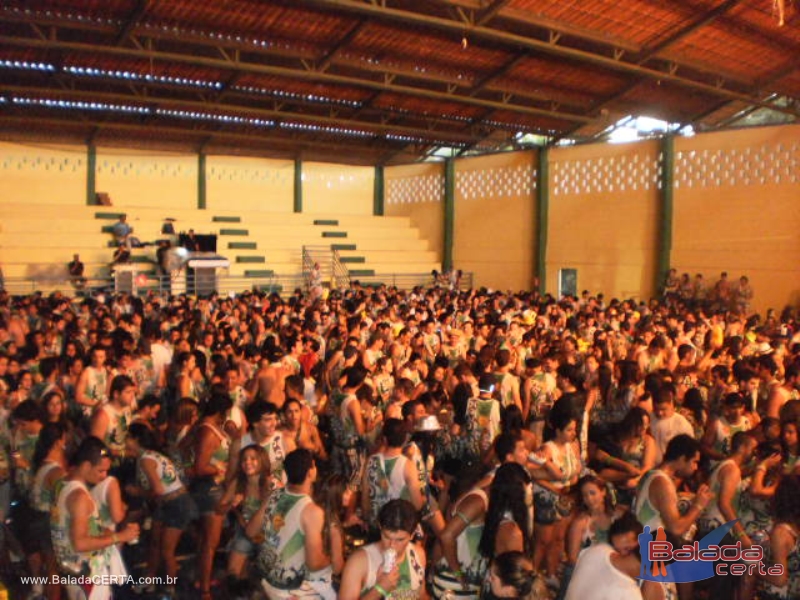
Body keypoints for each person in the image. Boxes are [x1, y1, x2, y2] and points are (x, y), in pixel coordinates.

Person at [50, 437, 139, 600]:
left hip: (71, 571)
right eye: (100, 470)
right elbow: (80, 543)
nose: (104, 476)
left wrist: (106, 532)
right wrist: (119, 537)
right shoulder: (80, 497)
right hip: (88, 576)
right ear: (86, 466)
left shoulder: (60, 484)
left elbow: (71, 526)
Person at [249, 448, 333, 599]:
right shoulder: (311, 511)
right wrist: (334, 560)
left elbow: (250, 531)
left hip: (265, 578)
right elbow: (314, 564)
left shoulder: (275, 495)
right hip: (288, 589)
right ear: (310, 472)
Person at [126, 422, 196, 596]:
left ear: (135, 439)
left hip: (177, 503)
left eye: (127, 437)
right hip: (166, 504)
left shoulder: (146, 459)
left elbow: (157, 489)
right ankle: (149, 581)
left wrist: (137, 491)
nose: (125, 441)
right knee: (155, 544)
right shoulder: (151, 455)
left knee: (166, 550)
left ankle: (170, 588)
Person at [339, 499, 427, 600]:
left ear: (412, 535)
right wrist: (379, 589)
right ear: (380, 528)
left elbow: (421, 596)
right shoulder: (359, 562)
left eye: (400, 540)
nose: (392, 545)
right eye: (386, 537)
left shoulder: (418, 555)